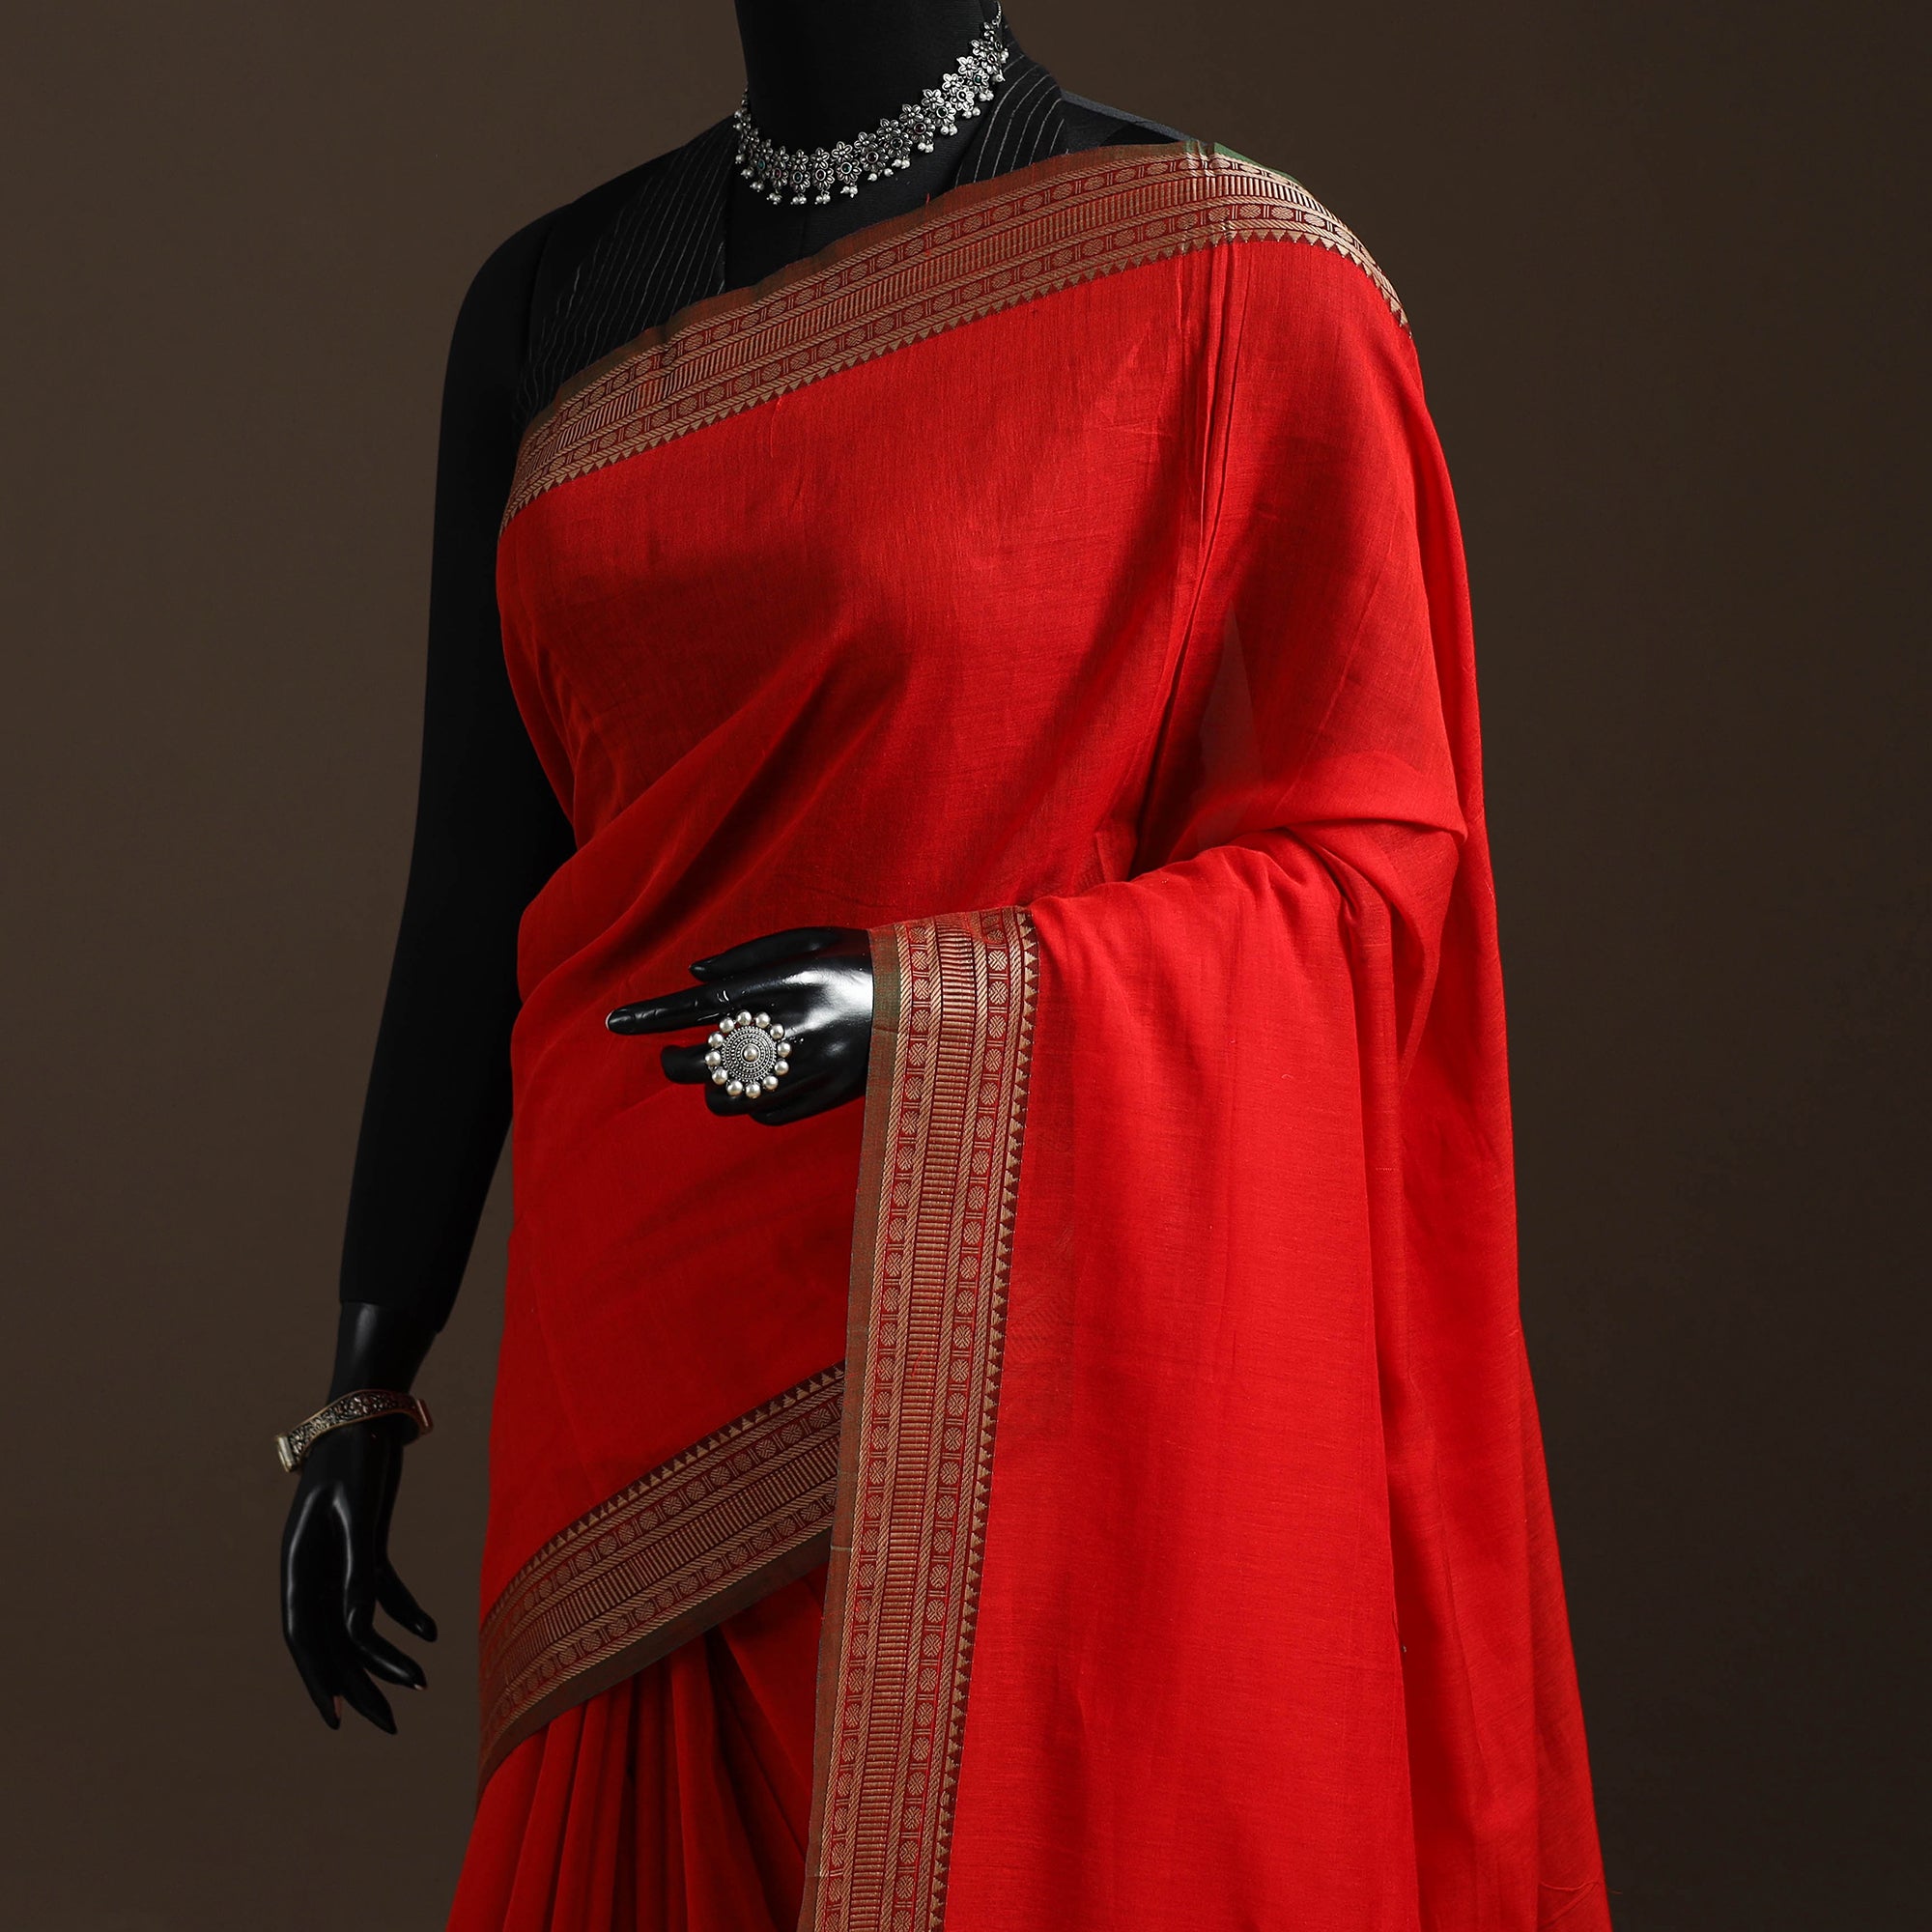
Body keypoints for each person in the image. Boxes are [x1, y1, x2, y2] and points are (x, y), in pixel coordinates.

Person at [277, 4, 1610, 1926]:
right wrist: (364, 1385)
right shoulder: (547, 306)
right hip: (631, 1332)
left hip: (1018, 1326)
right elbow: (475, 880)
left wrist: (940, 1004)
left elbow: (1371, 874)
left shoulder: (1223, 278)